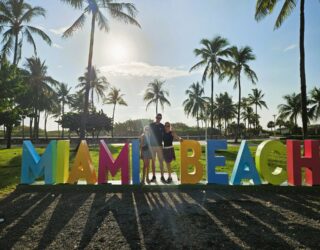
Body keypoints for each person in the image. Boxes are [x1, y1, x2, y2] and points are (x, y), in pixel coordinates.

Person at [149, 113, 165, 182]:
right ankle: (153, 176)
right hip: (152, 146)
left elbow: (165, 134)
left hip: (159, 146)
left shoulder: (162, 126)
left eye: (160, 118)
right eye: (158, 118)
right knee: (153, 162)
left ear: (161, 119)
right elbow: (146, 132)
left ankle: (162, 176)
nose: (158, 119)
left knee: (161, 161)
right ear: (155, 117)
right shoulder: (151, 125)